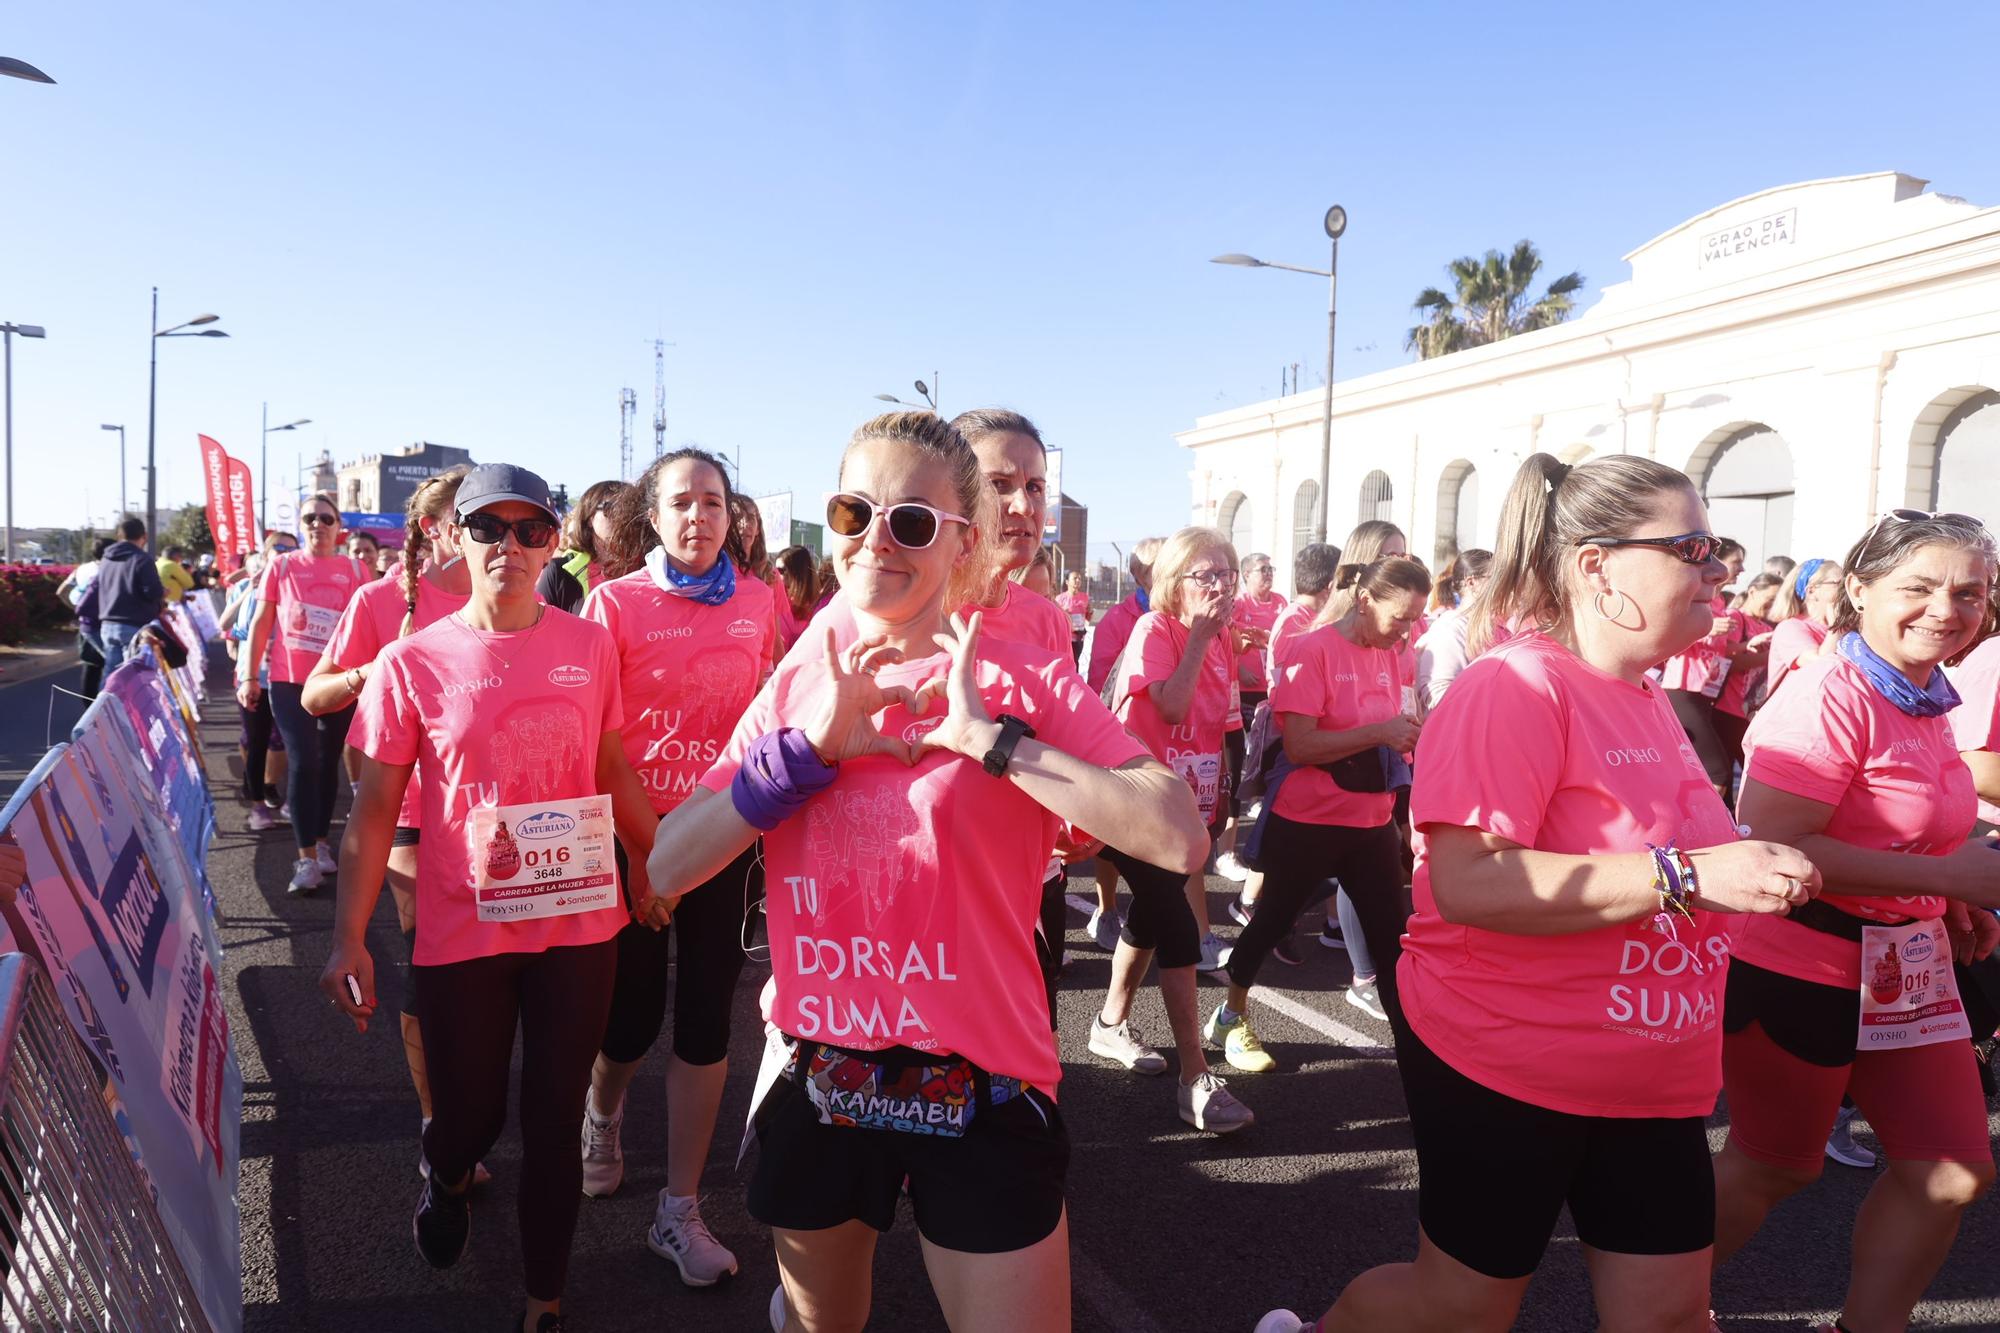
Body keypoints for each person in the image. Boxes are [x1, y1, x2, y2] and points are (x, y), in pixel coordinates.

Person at [649, 411, 1208, 1333]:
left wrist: (991, 741)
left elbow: (1177, 833)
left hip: (984, 1083)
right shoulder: (800, 684)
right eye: (853, 512)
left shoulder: (1021, 679)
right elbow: (670, 861)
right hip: (827, 1077)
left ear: (964, 540)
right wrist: (804, 753)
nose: (877, 540)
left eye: (911, 520)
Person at [1259, 453, 1819, 1333]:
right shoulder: (1515, 685)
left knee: (1673, 1315)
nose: (1718, 569)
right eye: (1694, 546)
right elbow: (1471, 880)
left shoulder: (1643, 697)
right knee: (1459, 1310)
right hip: (1511, 1060)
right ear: (1597, 564)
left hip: (1654, 1072)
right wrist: (1690, 875)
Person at [321, 463, 661, 1333]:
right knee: (466, 1116)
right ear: (452, 536)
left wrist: (654, 859)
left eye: (531, 529)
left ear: (555, 540)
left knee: (552, 1122)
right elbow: (373, 806)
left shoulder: (587, 646)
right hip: (462, 931)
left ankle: (544, 1299)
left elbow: (612, 766)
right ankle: (446, 1170)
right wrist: (347, 935)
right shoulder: (410, 663)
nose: (510, 546)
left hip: (580, 925)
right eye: (488, 528)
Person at [1712, 510, 2000, 1333]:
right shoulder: (1829, 695)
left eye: (1969, 592)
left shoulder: (1924, 691)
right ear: (1861, 590)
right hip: (1801, 962)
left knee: (1951, 1171)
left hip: (1905, 964)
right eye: (1919, 586)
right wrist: (1949, 875)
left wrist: (1947, 901)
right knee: (1774, 1168)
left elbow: (1901, 827)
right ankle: (1653, 1304)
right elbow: (1776, 848)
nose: (1947, 608)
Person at [577, 447, 776, 1287]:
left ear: (733, 516)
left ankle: (681, 1206)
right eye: (681, 503)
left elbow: (769, 717)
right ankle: (603, 1112)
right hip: (630, 839)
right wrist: (642, 855)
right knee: (625, 1021)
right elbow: (598, 742)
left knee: (703, 1020)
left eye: (714, 502)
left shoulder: (763, 603)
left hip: (720, 838)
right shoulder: (611, 604)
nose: (699, 516)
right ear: (650, 517)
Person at [303, 469, 475, 1183]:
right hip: (407, 814)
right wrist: (369, 671)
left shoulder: (513, 597)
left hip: (493, 819)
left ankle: (472, 1110)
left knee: (487, 979)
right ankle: (440, 1124)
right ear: (436, 528)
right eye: (478, 519)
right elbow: (315, 692)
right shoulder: (380, 600)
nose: (497, 535)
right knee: (430, 972)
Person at [1211, 555, 1431, 1069]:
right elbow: (1304, 747)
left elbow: (1385, 724)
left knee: (1391, 940)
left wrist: (1403, 735)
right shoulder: (1312, 649)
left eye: (1415, 618)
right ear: (1364, 600)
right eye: (1399, 616)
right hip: (1308, 820)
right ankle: (1230, 1015)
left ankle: (1416, 1053)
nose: (1407, 630)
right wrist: (1381, 732)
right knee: (1271, 922)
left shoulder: (1385, 651)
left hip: (1369, 821)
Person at [1086, 526, 1256, 1132]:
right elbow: (1175, 707)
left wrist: (1226, 801)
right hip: (1131, 797)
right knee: (1177, 921)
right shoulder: (1152, 631)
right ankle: (1195, 1078)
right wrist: (1201, 639)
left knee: (1153, 916)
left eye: (1226, 574)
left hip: (1188, 800)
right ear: (1173, 583)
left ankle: (1108, 1026)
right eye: (1205, 575)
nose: (1220, 586)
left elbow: (1223, 723)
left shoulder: (1226, 638)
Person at [238, 492, 373, 895]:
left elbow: (366, 625)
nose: (318, 524)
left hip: (337, 679)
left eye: (326, 519)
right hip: (289, 680)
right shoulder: (281, 565)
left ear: (338, 528)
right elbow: (261, 623)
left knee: (328, 761)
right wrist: (249, 676)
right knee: (303, 760)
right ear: (302, 525)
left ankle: (323, 844)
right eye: (310, 518)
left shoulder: (355, 569)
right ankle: (306, 859)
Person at [1228, 541, 1340, 961]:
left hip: (1303, 735)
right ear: (1332, 582)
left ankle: (1326, 921)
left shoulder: (1309, 616)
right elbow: (1290, 682)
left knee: (1292, 836)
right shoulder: (1298, 618)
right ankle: (1267, 912)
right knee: (1282, 835)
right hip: (1287, 735)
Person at [1084, 536, 1163, 951]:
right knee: (1111, 832)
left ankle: (1159, 914)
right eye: (1157, 567)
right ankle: (1107, 906)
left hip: (1169, 741)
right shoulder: (1119, 619)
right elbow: (1103, 682)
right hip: (1122, 737)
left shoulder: (1178, 613)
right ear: (1138, 574)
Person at [221, 533, 299, 829]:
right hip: (253, 678)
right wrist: (247, 591)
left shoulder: (298, 587)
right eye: (278, 548)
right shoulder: (245, 585)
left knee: (290, 744)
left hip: (289, 676)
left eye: (291, 549)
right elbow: (224, 624)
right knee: (256, 742)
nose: (284, 553)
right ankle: (257, 806)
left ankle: (281, 793)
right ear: (266, 553)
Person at [1215, 553, 1284, 882]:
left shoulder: (1281, 602)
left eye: (1272, 569)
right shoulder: (1235, 605)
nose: (1269, 574)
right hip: (1236, 692)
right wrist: (1239, 662)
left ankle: (1225, 850)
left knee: (1248, 758)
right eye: (1262, 570)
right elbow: (1229, 640)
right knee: (1228, 766)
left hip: (1267, 690)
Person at [1660, 537, 1747, 800]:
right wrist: (1706, 630)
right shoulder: (1694, 595)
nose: (1741, 570)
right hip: (1681, 690)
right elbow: (1668, 638)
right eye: (1737, 562)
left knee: (1695, 768)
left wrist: (1752, 646)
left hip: (1707, 693)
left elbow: (1723, 651)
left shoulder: (1720, 604)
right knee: (1719, 771)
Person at [1709, 572, 1783, 779]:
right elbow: (1726, 661)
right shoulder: (1734, 617)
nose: (1773, 604)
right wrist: (1772, 656)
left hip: (1750, 712)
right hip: (1728, 708)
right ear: (1752, 592)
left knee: (1744, 773)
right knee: (1723, 773)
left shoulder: (1766, 626)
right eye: (1770, 598)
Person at [84, 518, 165, 675]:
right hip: (134, 625)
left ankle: (104, 700)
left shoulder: (106, 559)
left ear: (120, 535)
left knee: (111, 677)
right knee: (134, 678)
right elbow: (153, 592)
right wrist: (162, 593)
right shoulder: (142, 559)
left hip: (107, 624)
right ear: (144, 536)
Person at [1413, 549, 1492, 709]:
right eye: (1497, 578)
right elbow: (1437, 695)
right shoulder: (1450, 628)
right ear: (1471, 582)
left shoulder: (1497, 626)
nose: (1506, 585)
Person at [538, 479, 630, 613]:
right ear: (589, 517)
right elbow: (537, 629)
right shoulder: (560, 572)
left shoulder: (652, 570)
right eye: (612, 508)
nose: (623, 517)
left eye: (630, 510)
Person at [1763, 558, 1843, 700]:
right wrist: (1836, 627)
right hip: (1790, 718)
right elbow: (1819, 667)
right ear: (1811, 591)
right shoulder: (1790, 627)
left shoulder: (1844, 629)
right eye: (1838, 583)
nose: (1846, 588)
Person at [58, 538, 112, 697]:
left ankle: (89, 708)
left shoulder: (82, 569)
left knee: (91, 665)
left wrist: (79, 610)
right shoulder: (111, 569)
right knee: (113, 667)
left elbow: (61, 592)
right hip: (105, 624)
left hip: (86, 625)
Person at [774, 544, 820, 653]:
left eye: (781, 570)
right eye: (774, 569)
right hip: (780, 667)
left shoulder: (819, 605)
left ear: (797, 572)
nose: (775, 573)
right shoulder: (774, 598)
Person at [1055, 570, 1092, 665]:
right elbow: (1055, 619)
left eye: (1079, 578)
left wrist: (1090, 613)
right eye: (1075, 578)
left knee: (1075, 662)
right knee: (1067, 662)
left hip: (1079, 637)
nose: (1078, 580)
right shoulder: (1059, 599)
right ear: (1067, 582)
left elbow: (1088, 617)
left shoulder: (1085, 598)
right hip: (1066, 637)